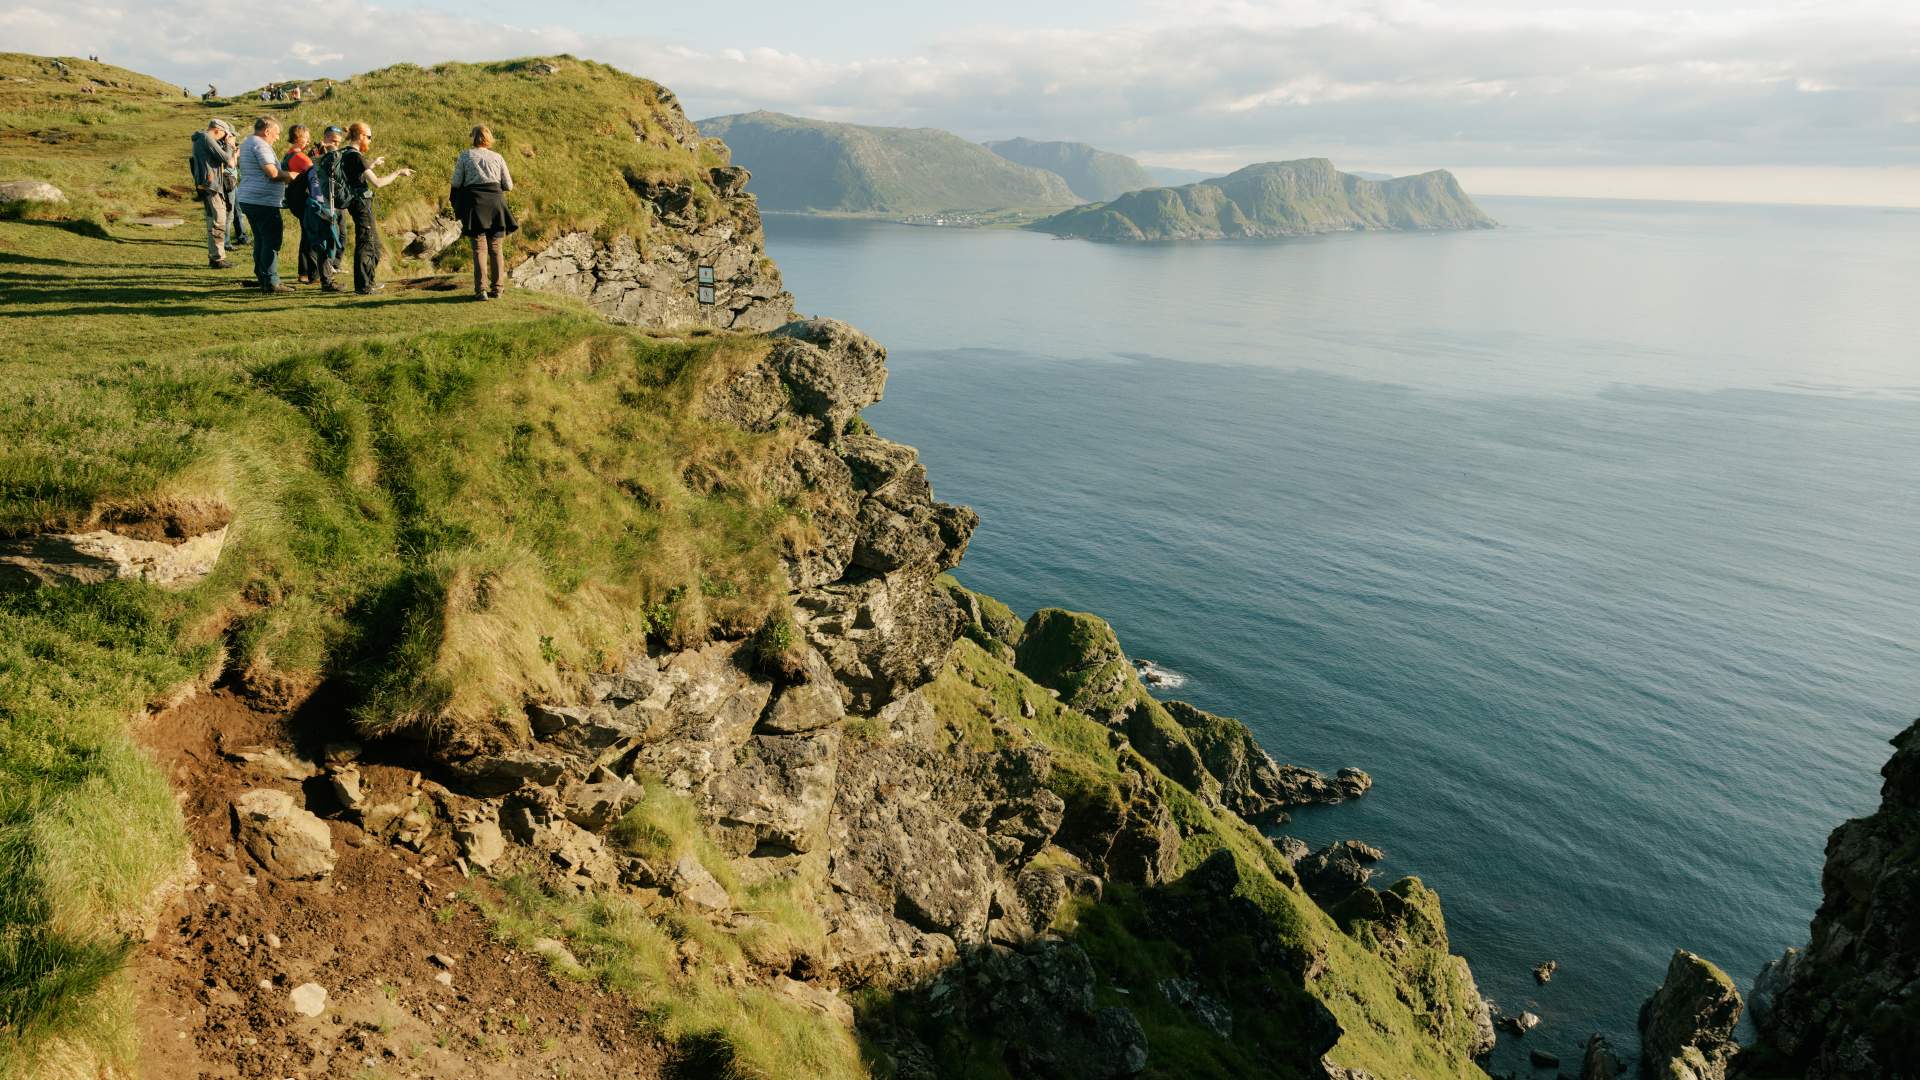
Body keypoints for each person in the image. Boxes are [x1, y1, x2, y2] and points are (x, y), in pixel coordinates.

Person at [338, 122, 414, 296]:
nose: (370, 141)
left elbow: (355, 174)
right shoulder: (356, 156)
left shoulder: (345, 153)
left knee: (373, 244)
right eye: (369, 137)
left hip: (355, 203)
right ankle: (363, 287)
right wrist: (398, 173)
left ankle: (368, 282)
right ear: (361, 136)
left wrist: (371, 164)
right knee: (367, 243)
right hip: (361, 204)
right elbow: (378, 183)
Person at [450, 124, 518, 300]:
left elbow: (456, 182)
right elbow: (508, 185)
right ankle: (498, 289)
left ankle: (481, 290)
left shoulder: (465, 156)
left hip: (475, 204)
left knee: (479, 248)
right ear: (488, 139)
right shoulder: (497, 157)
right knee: (496, 248)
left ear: (473, 138)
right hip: (496, 203)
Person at [234, 116, 299, 293]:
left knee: (261, 240)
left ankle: (263, 276)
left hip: (250, 198)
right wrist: (290, 175)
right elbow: (271, 172)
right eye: (276, 133)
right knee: (271, 240)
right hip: (262, 201)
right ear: (267, 131)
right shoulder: (260, 145)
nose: (277, 138)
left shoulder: (248, 142)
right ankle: (271, 281)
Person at [189, 117, 238, 268]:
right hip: (212, 186)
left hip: (206, 185)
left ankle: (215, 256)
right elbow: (228, 160)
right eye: (223, 136)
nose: (224, 139)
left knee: (213, 221)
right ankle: (218, 259)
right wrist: (229, 145)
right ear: (218, 130)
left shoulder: (200, 139)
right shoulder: (206, 138)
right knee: (219, 221)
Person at [280, 125, 316, 283]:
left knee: (306, 234)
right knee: (311, 235)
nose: (308, 141)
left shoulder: (288, 155)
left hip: (293, 198)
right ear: (298, 137)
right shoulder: (301, 157)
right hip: (303, 200)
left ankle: (304, 272)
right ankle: (311, 273)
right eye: (306, 137)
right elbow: (316, 175)